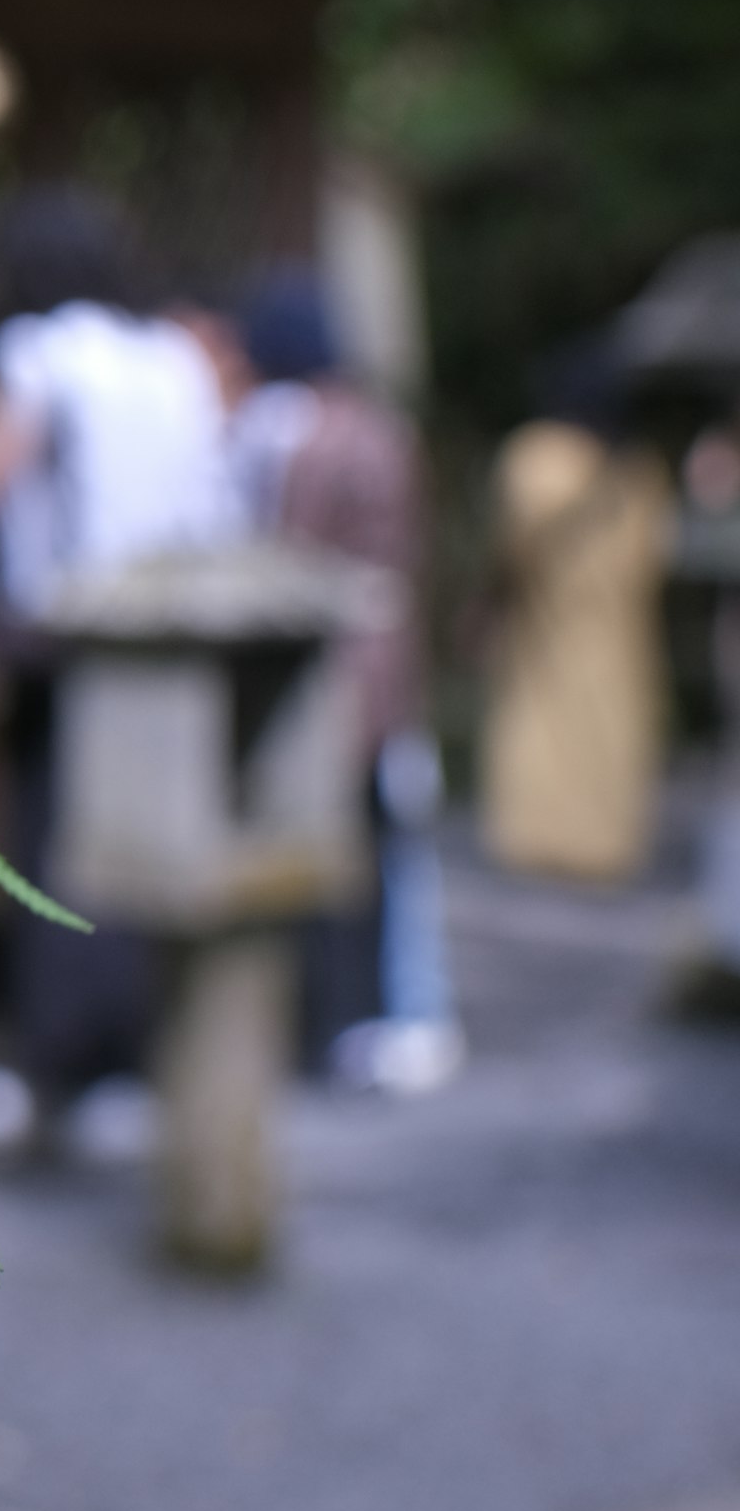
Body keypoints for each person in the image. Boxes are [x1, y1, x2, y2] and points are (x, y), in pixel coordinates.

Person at [0, 189, 243, 1158]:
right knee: (142, 848)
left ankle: (57, 1062)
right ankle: (133, 1061)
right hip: (174, 631)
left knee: (55, 848)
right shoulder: (176, 356)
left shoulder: (41, 349)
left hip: (66, 639)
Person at [229, 267, 453, 1091]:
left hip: (338, 676)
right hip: (391, 665)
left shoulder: (307, 439)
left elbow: (287, 558)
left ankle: (353, 1019)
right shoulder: (384, 430)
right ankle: (399, 1015)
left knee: (348, 855)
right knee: (391, 850)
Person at [480, 342, 675, 882]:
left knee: (542, 725)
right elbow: (652, 559)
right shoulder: (639, 471)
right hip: (616, 638)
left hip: (547, 629)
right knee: (607, 737)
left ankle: (540, 835)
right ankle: (600, 843)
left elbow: (512, 547)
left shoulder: (536, 456)